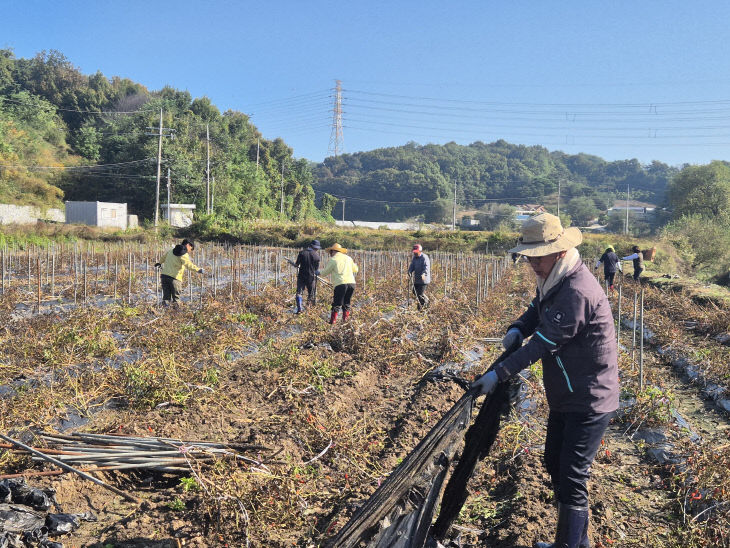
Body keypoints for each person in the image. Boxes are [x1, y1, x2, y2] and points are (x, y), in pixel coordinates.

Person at [472, 213, 618, 548]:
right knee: (554, 462)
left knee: (572, 476)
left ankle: (568, 545)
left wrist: (498, 373)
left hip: (590, 398)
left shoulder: (577, 290)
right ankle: (575, 542)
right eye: (530, 257)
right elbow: (537, 310)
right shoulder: (556, 280)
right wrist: (517, 327)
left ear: (560, 251)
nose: (533, 264)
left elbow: (544, 343)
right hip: (566, 394)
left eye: (539, 257)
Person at [317, 243, 359, 324]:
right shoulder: (348, 258)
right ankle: (345, 322)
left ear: (333, 251)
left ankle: (332, 323)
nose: (330, 254)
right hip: (351, 283)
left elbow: (325, 273)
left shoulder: (333, 260)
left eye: (330, 252)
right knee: (346, 303)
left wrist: (318, 272)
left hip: (340, 284)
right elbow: (355, 269)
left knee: (337, 304)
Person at [154, 239, 203, 306]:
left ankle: (166, 312)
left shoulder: (171, 250)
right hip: (175, 279)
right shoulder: (183, 254)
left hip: (164, 276)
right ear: (188, 245)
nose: (190, 251)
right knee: (176, 299)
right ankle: (176, 313)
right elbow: (188, 265)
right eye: (191, 249)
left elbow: (163, 257)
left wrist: (159, 263)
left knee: (166, 298)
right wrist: (198, 270)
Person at [294, 239, 321, 313]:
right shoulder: (317, 256)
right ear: (315, 248)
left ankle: (299, 309)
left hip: (301, 276)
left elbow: (296, 265)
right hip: (311, 277)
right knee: (311, 293)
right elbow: (316, 269)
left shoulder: (302, 253)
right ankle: (308, 308)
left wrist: (294, 264)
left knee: (299, 293)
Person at [407, 244, 431, 310]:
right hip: (417, 279)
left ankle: (421, 308)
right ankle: (426, 300)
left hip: (424, 279)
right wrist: (410, 271)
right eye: (414, 252)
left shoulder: (424, 258)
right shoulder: (415, 258)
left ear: (420, 251)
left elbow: (426, 268)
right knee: (414, 292)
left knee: (419, 294)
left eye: (416, 252)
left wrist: (423, 274)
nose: (415, 253)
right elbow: (412, 265)